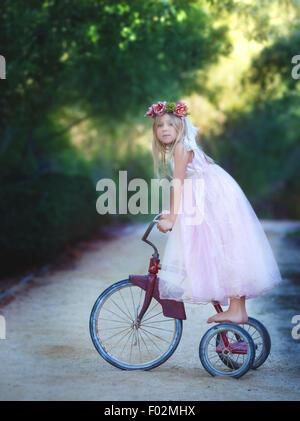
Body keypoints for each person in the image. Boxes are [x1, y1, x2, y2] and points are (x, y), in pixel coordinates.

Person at [145, 100, 283, 324]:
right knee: (224, 246)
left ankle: (237, 310)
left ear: (181, 126)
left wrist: (171, 218)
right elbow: (180, 184)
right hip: (214, 192)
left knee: (223, 247)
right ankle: (237, 309)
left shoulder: (181, 148)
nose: (165, 129)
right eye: (159, 125)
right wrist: (170, 212)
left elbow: (178, 184)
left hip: (212, 198)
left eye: (170, 124)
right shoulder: (184, 147)